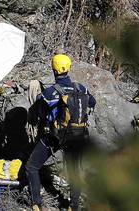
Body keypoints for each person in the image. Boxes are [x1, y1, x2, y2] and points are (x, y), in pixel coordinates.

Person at [26, 54, 96, 211]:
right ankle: (73, 207)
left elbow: (40, 114)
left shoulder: (48, 93)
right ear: (69, 68)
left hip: (55, 137)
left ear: (54, 70)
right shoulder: (81, 88)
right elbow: (92, 102)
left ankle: (36, 204)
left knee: (32, 166)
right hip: (77, 135)